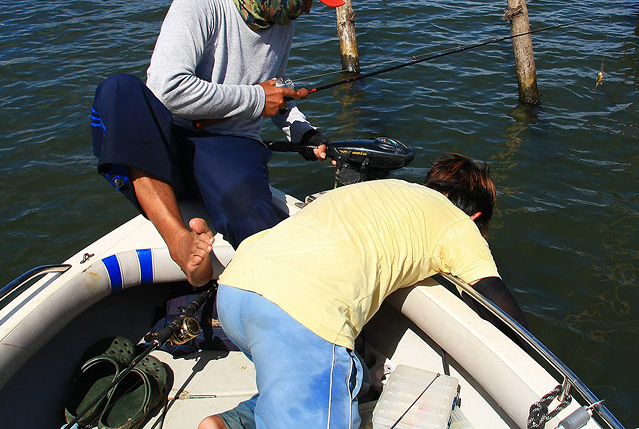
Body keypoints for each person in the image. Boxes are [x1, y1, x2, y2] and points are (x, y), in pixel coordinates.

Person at [198, 154, 528, 429]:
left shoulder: (390, 188)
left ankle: (232, 424)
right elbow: (494, 303)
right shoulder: (459, 224)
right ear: (477, 216)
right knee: (311, 376)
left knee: (310, 383)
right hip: (298, 312)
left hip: (237, 288)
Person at [90, 0, 344, 286]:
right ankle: (179, 240)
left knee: (261, 231)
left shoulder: (282, 26)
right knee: (119, 90)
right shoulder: (201, 1)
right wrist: (256, 99)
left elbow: (277, 94)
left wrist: (305, 133)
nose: (307, 7)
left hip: (232, 147)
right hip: (169, 139)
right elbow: (166, 90)